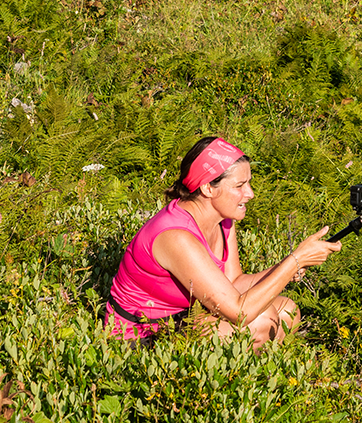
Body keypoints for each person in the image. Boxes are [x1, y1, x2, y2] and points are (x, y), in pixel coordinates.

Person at [106, 136, 341, 349]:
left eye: (248, 183)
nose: (250, 193)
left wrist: (292, 267)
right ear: (208, 187)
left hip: (184, 320)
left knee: (287, 310)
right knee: (259, 322)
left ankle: (253, 383)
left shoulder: (222, 220)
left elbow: (235, 282)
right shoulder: (176, 236)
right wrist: (294, 261)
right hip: (141, 337)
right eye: (239, 186)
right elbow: (239, 313)